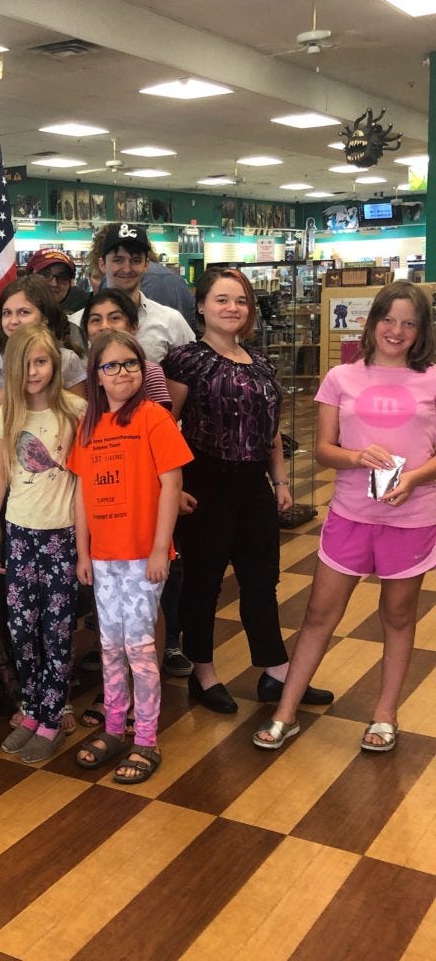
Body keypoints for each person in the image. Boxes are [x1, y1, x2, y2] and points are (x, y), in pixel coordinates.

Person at [255, 283, 436, 753]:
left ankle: (384, 714)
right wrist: (356, 457)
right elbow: (323, 450)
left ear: (420, 331)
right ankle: (286, 711)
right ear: (371, 321)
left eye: (409, 323)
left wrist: (414, 477)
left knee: (397, 616)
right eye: (389, 319)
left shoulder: (433, 379)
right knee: (318, 612)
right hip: (350, 512)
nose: (397, 331)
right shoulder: (340, 377)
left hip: (412, 516)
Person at [163, 267, 333, 713]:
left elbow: (271, 429)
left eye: (240, 300)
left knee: (262, 579)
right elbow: (165, 428)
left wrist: (279, 481)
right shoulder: (185, 359)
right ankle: (203, 672)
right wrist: (173, 486)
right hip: (205, 481)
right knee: (204, 582)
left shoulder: (260, 361)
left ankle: (275, 672)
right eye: (221, 299)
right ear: (201, 306)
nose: (232, 308)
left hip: (254, 481)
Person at [69, 330, 191, 783]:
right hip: (103, 557)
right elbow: (82, 492)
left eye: (131, 364)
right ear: (96, 376)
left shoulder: (154, 419)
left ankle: (146, 738)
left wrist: (161, 549)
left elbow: (172, 486)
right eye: (112, 366)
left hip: (143, 556)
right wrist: (83, 551)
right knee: (109, 644)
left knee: (140, 648)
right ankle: (115, 725)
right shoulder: (90, 426)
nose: (123, 373)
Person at [0, 325, 85, 765]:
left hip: (61, 536)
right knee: (23, 630)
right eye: (23, 365)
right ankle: (32, 709)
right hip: (20, 533)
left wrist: (86, 542)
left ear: (55, 365)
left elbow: (82, 481)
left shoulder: (77, 411)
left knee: (57, 630)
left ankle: (51, 717)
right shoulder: (6, 415)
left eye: (41, 362)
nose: (33, 372)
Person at [0, 275, 86, 428]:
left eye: (24, 312)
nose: (13, 321)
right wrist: (16, 380)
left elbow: (80, 419)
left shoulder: (67, 359)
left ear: (45, 317)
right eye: (7, 313)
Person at [96, 223, 194, 363]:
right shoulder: (79, 323)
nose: (127, 268)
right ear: (102, 264)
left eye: (136, 260)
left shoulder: (171, 321)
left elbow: (194, 370)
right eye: (118, 260)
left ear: (146, 265)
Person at [25, 247, 87, 324]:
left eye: (63, 276)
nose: (54, 283)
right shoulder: (14, 322)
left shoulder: (76, 328)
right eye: (45, 275)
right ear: (29, 278)